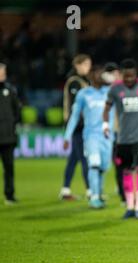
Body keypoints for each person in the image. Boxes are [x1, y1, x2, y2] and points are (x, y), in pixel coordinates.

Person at [103, 59, 138, 220]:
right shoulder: (115, 89)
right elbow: (106, 108)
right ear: (122, 75)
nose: (129, 79)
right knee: (126, 171)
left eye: (131, 76)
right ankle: (130, 207)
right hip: (123, 139)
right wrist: (105, 125)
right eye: (126, 76)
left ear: (136, 74)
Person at [64, 65, 113, 209]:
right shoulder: (83, 94)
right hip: (91, 136)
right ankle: (94, 196)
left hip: (107, 137)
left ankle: (99, 192)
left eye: (101, 74)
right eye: (96, 74)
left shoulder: (110, 93)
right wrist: (67, 136)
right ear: (91, 78)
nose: (99, 77)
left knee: (104, 167)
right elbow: (74, 116)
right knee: (94, 164)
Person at [59, 54, 91, 201]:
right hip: (79, 126)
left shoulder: (84, 81)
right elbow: (75, 108)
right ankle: (91, 190)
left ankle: (65, 189)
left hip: (83, 126)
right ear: (78, 65)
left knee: (74, 158)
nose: (88, 67)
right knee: (85, 158)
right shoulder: (74, 82)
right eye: (85, 64)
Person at [103, 62, 126, 204]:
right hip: (113, 132)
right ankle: (120, 190)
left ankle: (124, 190)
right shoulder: (108, 91)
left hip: (124, 132)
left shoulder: (126, 90)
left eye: (118, 74)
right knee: (114, 164)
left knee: (125, 165)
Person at [0, 62, 21, 205]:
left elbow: (18, 111)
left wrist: (12, 124)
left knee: (9, 168)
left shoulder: (10, 90)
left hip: (8, 136)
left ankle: (9, 195)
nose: (3, 74)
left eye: (3, 72)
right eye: (0, 72)